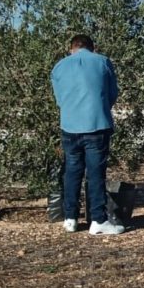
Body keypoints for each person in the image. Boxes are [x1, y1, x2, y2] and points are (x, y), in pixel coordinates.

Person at [51, 34, 123, 235]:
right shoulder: (102, 62)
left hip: (69, 127)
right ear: (93, 47)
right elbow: (112, 93)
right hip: (96, 125)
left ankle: (70, 218)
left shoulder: (59, 66)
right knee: (95, 173)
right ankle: (98, 220)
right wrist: (100, 108)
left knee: (72, 172)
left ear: (70, 48)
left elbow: (59, 98)